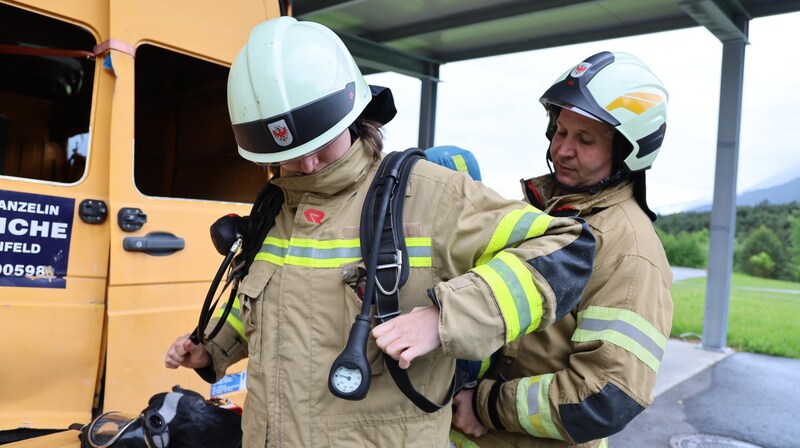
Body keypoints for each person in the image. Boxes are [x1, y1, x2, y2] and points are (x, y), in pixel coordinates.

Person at [164, 17, 595, 448]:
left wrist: (446, 317)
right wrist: (213, 349)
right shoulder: (277, 208)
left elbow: (568, 249)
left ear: (352, 116)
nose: (309, 165)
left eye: (321, 144)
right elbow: (274, 306)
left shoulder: (428, 194)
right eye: (291, 155)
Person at [450, 51, 674, 448]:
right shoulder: (547, 211)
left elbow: (605, 396)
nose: (561, 150)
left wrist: (484, 403)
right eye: (560, 131)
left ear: (628, 151)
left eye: (585, 139)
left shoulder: (630, 253)